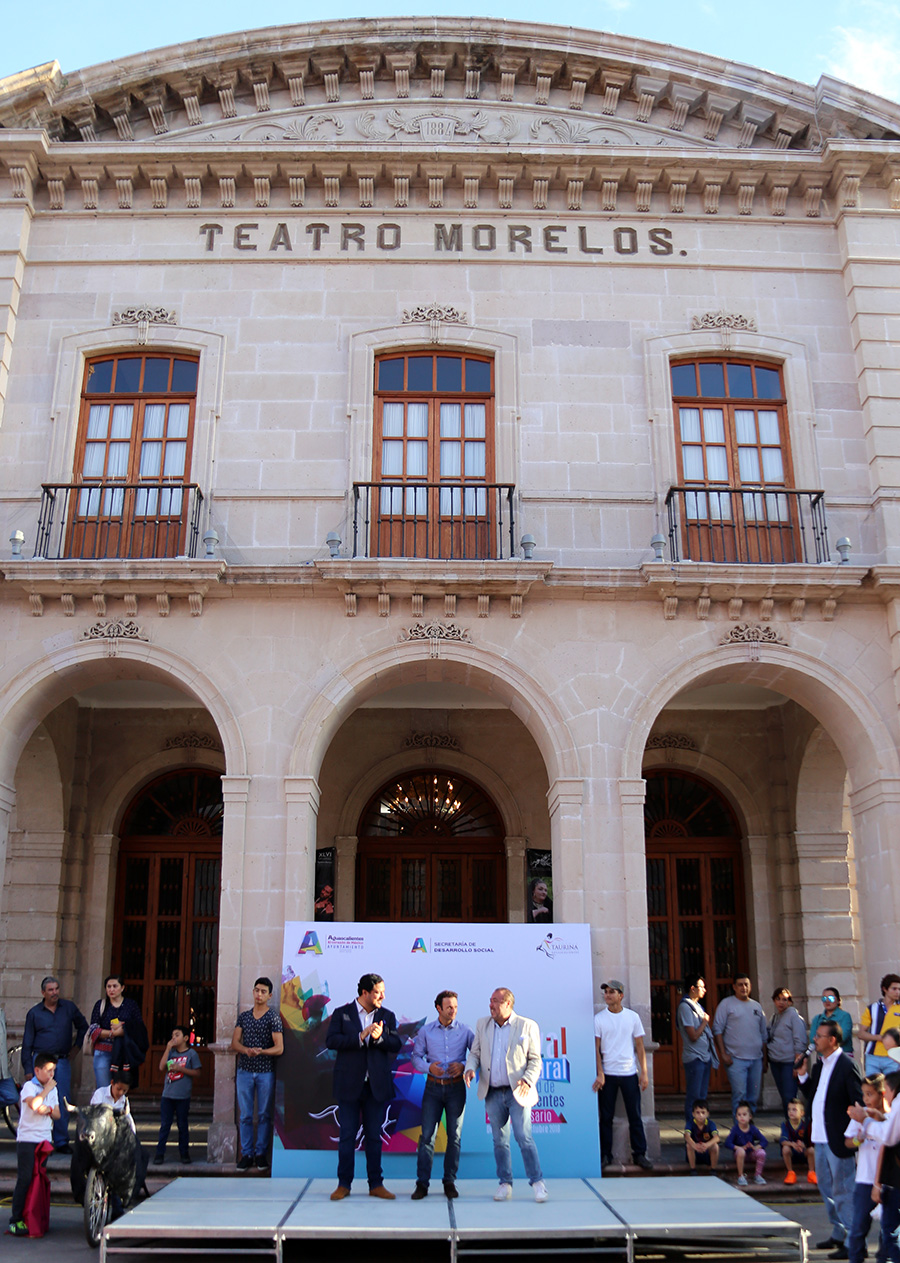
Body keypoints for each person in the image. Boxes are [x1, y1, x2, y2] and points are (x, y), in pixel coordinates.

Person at [464, 986, 547, 1203]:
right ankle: (505, 1183)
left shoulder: (527, 1025)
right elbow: (475, 1053)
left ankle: (538, 1183)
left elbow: (536, 1060)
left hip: (518, 1091)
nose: (490, 1005)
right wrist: (470, 1068)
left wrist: (528, 1080)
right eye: (490, 1000)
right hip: (492, 1092)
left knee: (523, 1136)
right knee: (499, 1140)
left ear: (508, 1004)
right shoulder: (483, 1024)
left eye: (495, 1001)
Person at [325, 972, 402, 1200]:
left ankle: (376, 1184)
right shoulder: (342, 1014)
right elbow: (331, 1041)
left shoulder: (387, 1015)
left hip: (375, 1086)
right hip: (349, 1085)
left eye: (383, 992)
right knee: (347, 1136)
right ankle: (343, 1184)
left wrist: (379, 1038)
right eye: (378, 992)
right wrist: (360, 1036)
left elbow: (396, 1043)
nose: (382, 997)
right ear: (364, 993)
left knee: (374, 1137)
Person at [799, 1018, 864, 1259]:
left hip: (838, 1138)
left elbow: (858, 1102)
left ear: (832, 1040)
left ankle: (854, 1240)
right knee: (826, 1187)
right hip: (820, 1137)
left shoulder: (847, 1067)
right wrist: (803, 1076)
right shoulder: (819, 1065)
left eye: (819, 1036)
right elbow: (813, 1096)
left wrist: (851, 1136)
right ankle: (839, 1232)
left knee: (844, 1189)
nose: (814, 1039)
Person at [410, 990, 474, 1200]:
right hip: (433, 1088)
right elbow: (416, 1057)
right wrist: (429, 1068)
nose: (453, 1010)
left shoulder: (465, 1031)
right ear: (438, 1008)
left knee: (454, 1137)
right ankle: (422, 1184)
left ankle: (449, 1181)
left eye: (455, 1006)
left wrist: (463, 1065)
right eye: (448, 1007)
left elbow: (477, 1056)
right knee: (427, 1136)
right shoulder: (426, 1032)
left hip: (456, 1089)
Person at [21, 976, 87, 1153]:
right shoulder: (34, 1013)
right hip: (40, 1063)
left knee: (62, 1099)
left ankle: (61, 1141)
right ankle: (40, 1140)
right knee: (39, 1099)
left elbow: (83, 1026)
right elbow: (27, 1042)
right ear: (43, 992)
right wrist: (28, 1069)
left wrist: (77, 1047)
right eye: (50, 990)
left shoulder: (68, 1008)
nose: (54, 992)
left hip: (62, 1061)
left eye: (57, 989)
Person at [592, 979, 653, 1170]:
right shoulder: (599, 1019)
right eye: (606, 992)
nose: (608, 995)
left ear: (621, 995)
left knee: (635, 1115)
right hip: (608, 1074)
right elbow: (596, 1049)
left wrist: (644, 1073)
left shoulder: (632, 1017)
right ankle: (606, 1155)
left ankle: (640, 1154)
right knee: (606, 1117)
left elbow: (640, 1047)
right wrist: (600, 1073)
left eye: (612, 992)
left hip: (629, 1073)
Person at [231, 976, 284, 1172]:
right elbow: (234, 1042)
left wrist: (262, 1051)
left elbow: (279, 1048)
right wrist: (246, 1050)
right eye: (256, 990)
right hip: (245, 1070)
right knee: (245, 1115)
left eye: (263, 991)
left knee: (263, 1114)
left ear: (269, 995)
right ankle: (247, 1154)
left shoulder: (273, 1017)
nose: (259, 994)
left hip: (265, 1072)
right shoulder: (244, 1016)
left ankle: (261, 1153)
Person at [7, 1052, 59, 1237]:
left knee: (39, 1179)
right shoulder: (29, 1086)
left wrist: (48, 1109)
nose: (52, 1075)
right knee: (25, 1178)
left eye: (54, 1070)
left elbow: (57, 1114)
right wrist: (44, 1094)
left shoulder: (54, 1089)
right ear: (37, 1070)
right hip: (28, 1139)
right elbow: (33, 1104)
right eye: (49, 1070)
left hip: (44, 1139)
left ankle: (34, 1216)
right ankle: (15, 1219)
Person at [844, 1072, 888, 1263]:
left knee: (888, 1230)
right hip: (864, 1179)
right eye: (863, 1094)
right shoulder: (859, 1114)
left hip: (888, 1180)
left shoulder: (892, 1116)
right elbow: (847, 1142)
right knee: (857, 1229)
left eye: (870, 1094)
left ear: (883, 1094)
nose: (866, 1099)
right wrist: (857, 1139)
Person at [712, 974, 768, 1118]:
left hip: (756, 1059)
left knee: (753, 1097)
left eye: (746, 984)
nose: (744, 987)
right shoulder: (726, 1004)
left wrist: (765, 1059)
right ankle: (739, 1131)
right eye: (740, 984)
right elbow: (717, 1030)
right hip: (736, 1059)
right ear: (734, 987)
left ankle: (749, 1128)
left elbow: (763, 1035)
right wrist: (723, 1054)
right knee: (740, 1095)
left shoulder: (757, 1006)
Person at [88, 975, 148, 1089]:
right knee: (104, 1088)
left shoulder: (131, 1005)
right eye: (108, 986)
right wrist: (113, 1033)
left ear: (122, 988)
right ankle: (105, 1108)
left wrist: (124, 1027)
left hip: (124, 1053)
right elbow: (93, 1029)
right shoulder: (101, 1005)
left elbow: (139, 1027)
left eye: (115, 986)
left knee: (121, 1088)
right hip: (103, 1052)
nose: (111, 989)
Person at [153, 1026, 201, 1165]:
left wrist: (181, 1069)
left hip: (183, 1096)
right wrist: (167, 1049)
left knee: (182, 1125)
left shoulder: (192, 1054)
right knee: (165, 1125)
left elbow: (197, 1073)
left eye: (177, 1035)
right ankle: (159, 1153)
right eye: (172, 1035)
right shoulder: (171, 1053)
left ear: (185, 1038)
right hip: (167, 1095)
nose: (174, 1038)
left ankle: (184, 1153)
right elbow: (161, 1067)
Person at [676, 974, 717, 1128]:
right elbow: (692, 1035)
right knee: (694, 1097)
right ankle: (691, 1129)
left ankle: (702, 1127)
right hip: (694, 1058)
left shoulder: (698, 1006)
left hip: (705, 1057)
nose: (705, 990)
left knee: (702, 1097)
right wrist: (705, 1022)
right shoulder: (685, 1007)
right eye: (701, 987)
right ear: (692, 988)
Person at [871, 1064, 900, 1263]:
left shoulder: (898, 1102)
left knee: (891, 1233)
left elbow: (888, 1138)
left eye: (887, 1092)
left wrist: (867, 1122)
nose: (886, 1097)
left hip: (896, 1179)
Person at [768, 988, 809, 1115]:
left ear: (790, 1002)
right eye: (778, 999)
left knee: (789, 1097)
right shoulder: (775, 1017)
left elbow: (800, 1040)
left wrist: (797, 1065)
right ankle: (788, 1129)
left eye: (785, 999)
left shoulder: (794, 1016)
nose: (781, 1002)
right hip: (776, 1062)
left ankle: (795, 1129)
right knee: (784, 1097)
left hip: (789, 1062)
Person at [858, 975, 900, 1078]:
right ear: (884, 989)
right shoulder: (872, 1008)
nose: (897, 992)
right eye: (894, 989)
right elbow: (861, 1033)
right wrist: (880, 1038)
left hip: (893, 1057)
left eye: (899, 989)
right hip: (872, 1056)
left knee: (892, 1089)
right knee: (872, 1088)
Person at [723, 1100, 767, 1186]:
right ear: (736, 1117)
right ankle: (740, 1175)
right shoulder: (735, 1129)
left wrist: (756, 1147)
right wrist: (739, 1147)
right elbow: (727, 1143)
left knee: (762, 1153)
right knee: (741, 1151)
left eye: (744, 1115)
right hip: (739, 1154)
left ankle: (758, 1175)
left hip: (750, 1153)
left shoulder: (753, 1129)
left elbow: (764, 1141)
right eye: (739, 1115)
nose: (741, 1117)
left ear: (750, 1116)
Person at [780, 1097, 816, 1185]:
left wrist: (804, 1144)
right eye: (789, 1109)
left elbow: (811, 1140)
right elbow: (783, 1140)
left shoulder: (805, 1125)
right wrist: (792, 1144)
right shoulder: (785, 1124)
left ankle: (811, 1172)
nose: (791, 1112)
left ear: (802, 1113)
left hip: (803, 1152)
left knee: (811, 1149)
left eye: (794, 1110)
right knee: (785, 1149)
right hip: (792, 1152)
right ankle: (790, 1172)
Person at [809, 987, 854, 1056]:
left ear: (838, 1000)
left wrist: (823, 1042)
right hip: (823, 1057)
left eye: (831, 998)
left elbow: (843, 1037)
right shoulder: (817, 1018)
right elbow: (813, 1039)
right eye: (824, 999)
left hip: (842, 1056)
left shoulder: (845, 1016)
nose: (827, 1001)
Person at [684, 1098, 719, 1173]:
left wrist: (706, 1145)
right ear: (693, 1114)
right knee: (688, 1145)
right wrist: (694, 1145)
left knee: (715, 1146)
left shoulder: (711, 1124)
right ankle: (693, 1169)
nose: (700, 1115)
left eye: (703, 1112)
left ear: (708, 1113)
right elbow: (686, 1136)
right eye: (698, 1112)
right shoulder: (690, 1123)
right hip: (695, 1153)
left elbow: (716, 1138)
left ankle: (713, 1169)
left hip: (706, 1152)